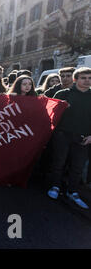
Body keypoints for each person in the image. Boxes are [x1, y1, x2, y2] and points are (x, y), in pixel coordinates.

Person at [47, 67, 91, 209]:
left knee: (77, 167)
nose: (87, 81)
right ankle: (55, 187)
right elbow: (50, 114)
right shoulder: (63, 94)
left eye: (89, 78)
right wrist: (61, 108)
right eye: (83, 78)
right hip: (62, 135)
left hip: (84, 138)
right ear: (75, 79)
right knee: (59, 163)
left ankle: (73, 192)